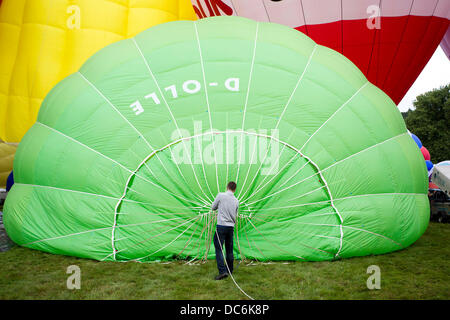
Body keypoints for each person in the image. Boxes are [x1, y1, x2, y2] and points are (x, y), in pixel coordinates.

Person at [211, 181, 239, 280]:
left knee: (219, 248)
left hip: (221, 226)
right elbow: (235, 214)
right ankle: (229, 270)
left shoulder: (220, 195)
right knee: (229, 249)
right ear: (234, 189)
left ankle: (222, 272)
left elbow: (213, 208)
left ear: (227, 187)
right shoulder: (236, 200)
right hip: (231, 227)